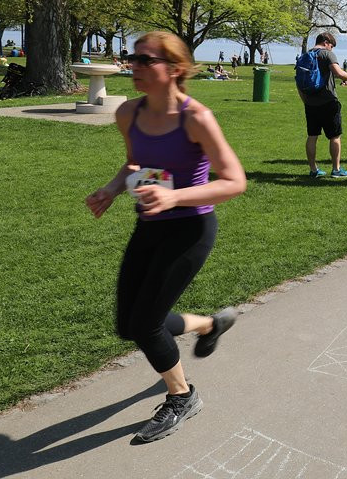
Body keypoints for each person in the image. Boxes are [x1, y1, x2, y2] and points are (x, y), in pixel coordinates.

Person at [84, 31, 246, 443]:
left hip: (190, 228)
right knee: (128, 325)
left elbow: (234, 181)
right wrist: (111, 188)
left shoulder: (196, 118)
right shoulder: (129, 113)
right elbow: (134, 163)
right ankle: (209, 324)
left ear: (174, 69)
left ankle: (183, 395)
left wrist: (175, 196)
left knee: (146, 323)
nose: (134, 66)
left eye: (145, 60)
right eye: (132, 58)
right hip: (149, 224)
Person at [298, 33, 347, 179]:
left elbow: (298, 81)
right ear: (326, 42)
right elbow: (339, 73)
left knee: (312, 136)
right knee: (335, 136)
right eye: (332, 46)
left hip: (310, 103)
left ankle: (313, 169)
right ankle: (336, 169)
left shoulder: (304, 56)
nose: (332, 49)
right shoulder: (326, 54)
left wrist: (305, 100)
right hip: (328, 101)